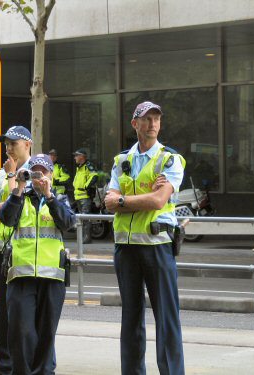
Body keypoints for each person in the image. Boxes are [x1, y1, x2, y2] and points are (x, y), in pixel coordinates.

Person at [104, 101, 186, 375]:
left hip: (157, 246)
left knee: (166, 318)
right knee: (130, 319)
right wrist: (142, 198)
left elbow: (159, 200)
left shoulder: (169, 159)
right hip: (125, 248)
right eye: (146, 119)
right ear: (134, 124)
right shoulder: (121, 160)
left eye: (156, 119)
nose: (152, 124)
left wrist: (124, 200)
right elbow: (108, 202)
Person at [0, 154, 76, 375]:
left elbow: (68, 222)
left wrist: (49, 196)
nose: (39, 176)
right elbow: (6, 218)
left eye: (44, 172)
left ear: (51, 174)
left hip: (52, 278)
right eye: (34, 172)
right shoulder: (20, 197)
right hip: (21, 277)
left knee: (45, 335)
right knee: (21, 334)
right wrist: (18, 187)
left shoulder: (59, 199)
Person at [0, 125, 32, 375]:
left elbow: (18, 208)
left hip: (25, 256)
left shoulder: (39, 172)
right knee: (2, 319)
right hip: (2, 253)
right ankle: (2, 367)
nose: (8, 148)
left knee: (24, 322)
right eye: (6, 144)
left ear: (28, 145)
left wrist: (14, 181)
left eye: (13, 143)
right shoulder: (0, 175)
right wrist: (12, 194)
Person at [72, 148, 98, 244]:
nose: (75, 157)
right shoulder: (79, 167)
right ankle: (82, 237)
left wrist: (86, 186)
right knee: (81, 219)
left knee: (86, 218)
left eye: (76, 155)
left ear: (82, 156)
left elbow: (94, 176)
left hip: (84, 196)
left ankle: (87, 238)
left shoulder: (88, 166)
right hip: (78, 196)